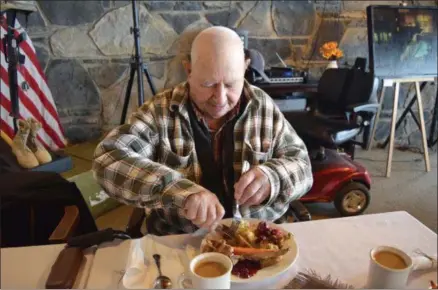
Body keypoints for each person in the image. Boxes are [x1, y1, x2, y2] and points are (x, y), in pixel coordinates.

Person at [92, 26, 313, 236]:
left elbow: (303, 167)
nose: (220, 98)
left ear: (245, 68)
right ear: (189, 70)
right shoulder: (160, 111)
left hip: (257, 238)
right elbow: (107, 159)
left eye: (230, 84)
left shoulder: (262, 105)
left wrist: (272, 178)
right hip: (181, 240)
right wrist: (180, 192)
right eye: (208, 84)